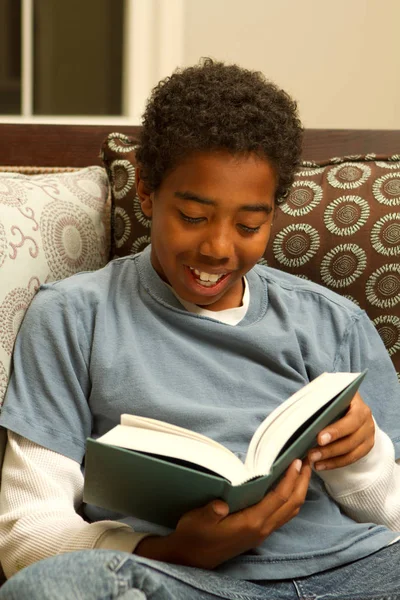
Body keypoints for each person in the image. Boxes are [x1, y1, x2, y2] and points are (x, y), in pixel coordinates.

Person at [0, 59, 399, 600]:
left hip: (356, 571)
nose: (218, 248)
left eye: (250, 225)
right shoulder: (73, 317)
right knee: (51, 588)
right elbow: (27, 532)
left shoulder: (333, 321)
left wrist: (364, 457)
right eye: (192, 216)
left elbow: (391, 511)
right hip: (182, 580)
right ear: (146, 191)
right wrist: (174, 552)